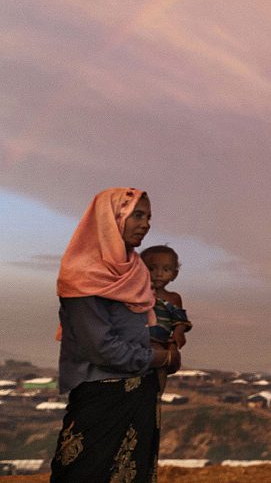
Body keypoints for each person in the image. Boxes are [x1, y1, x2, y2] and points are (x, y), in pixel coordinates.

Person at [50, 188, 179, 482]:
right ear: (112, 218)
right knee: (85, 473)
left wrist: (160, 350)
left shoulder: (136, 271)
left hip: (140, 394)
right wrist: (159, 356)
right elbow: (100, 348)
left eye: (148, 217)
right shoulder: (82, 274)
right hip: (100, 396)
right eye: (137, 214)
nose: (146, 224)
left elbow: (137, 331)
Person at [140, 245, 192, 392]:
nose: (158, 274)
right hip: (137, 337)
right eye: (152, 269)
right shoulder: (137, 293)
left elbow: (180, 320)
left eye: (166, 270)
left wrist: (178, 333)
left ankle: (157, 394)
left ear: (174, 274)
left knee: (161, 363)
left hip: (159, 340)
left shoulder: (173, 298)